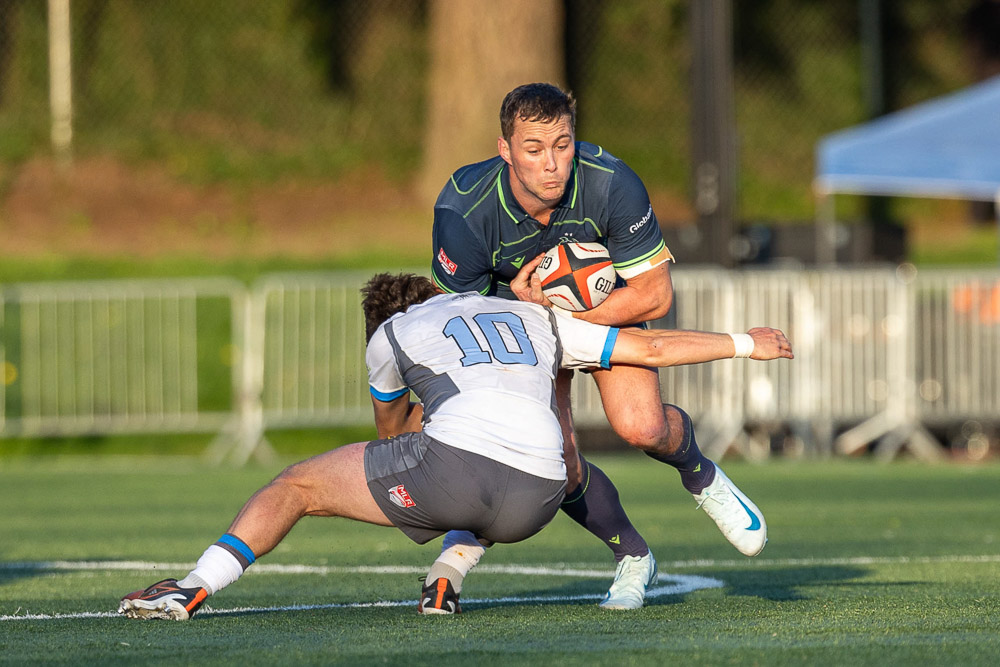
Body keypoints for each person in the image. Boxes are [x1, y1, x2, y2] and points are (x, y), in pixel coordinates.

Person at [119, 272, 793, 620]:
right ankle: (448, 576)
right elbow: (647, 346)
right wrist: (745, 342)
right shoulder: (533, 314)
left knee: (296, 485)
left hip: (458, 476)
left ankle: (193, 585)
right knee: (486, 459)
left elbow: (392, 436)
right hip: (541, 493)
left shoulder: (391, 336)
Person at [429, 82, 768, 608]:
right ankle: (633, 556)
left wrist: (566, 314)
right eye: (534, 149)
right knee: (556, 461)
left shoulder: (611, 183)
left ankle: (700, 474)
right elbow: (453, 318)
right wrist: (525, 314)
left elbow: (654, 296)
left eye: (562, 145)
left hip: (597, 311)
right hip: (518, 326)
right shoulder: (462, 210)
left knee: (642, 426)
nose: (552, 164)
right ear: (505, 151)